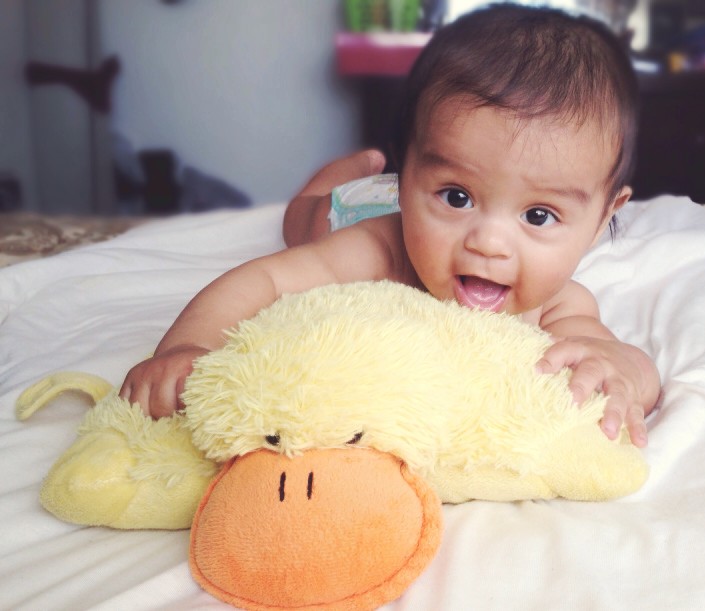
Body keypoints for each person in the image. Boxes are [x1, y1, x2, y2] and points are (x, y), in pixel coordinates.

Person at [120, 4, 660, 447]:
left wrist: (621, 371)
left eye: (538, 215)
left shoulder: (561, 303)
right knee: (303, 216)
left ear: (601, 221)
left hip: (401, 191)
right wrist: (183, 349)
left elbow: (624, 363)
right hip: (357, 207)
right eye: (457, 196)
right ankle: (354, 170)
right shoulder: (377, 251)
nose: (489, 242)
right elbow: (262, 281)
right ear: (413, 177)